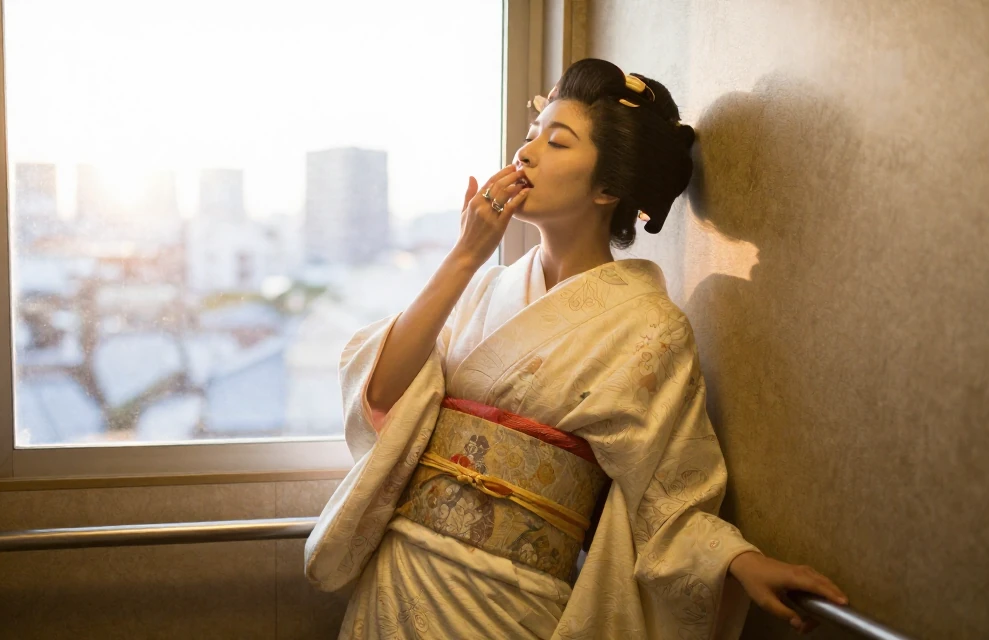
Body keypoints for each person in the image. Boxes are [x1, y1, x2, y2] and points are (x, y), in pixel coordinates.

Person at [305, 58, 847, 639]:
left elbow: (665, 493)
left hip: (508, 604)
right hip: (399, 578)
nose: (526, 153)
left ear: (608, 187)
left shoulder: (650, 326)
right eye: (531, 135)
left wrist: (738, 562)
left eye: (557, 142)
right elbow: (381, 393)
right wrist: (466, 255)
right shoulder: (483, 288)